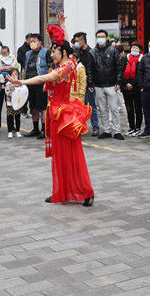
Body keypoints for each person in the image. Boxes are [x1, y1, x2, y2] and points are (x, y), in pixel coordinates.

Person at [9, 17, 94, 207]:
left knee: (71, 155)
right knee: (60, 155)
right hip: (56, 113)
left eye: (54, 51)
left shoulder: (66, 67)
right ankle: (61, 191)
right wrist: (63, 26)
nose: (52, 54)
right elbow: (67, 44)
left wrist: (21, 82)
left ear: (62, 53)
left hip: (64, 114)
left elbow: (42, 77)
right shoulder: (68, 61)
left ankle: (85, 191)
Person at [90, 29, 123, 141]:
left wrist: (118, 82)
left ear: (106, 37)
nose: (100, 38)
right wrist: (91, 83)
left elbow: (119, 67)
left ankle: (117, 131)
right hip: (98, 84)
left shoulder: (113, 50)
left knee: (114, 108)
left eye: (102, 36)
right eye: (98, 36)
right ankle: (106, 131)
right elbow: (90, 70)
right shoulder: (93, 52)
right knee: (102, 110)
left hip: (111, 84)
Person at [72, 32, 99, 136]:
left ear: (82, 41)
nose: (76, 43)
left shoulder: (90, 52)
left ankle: (95, 127)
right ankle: (79, 126)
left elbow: (90, 69)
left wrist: (90, 84)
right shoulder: (78, 51)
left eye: (77, 41)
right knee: (79, 107)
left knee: (91, 106)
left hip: (88, 84)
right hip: (77, 84)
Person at [22, 34, 49, 139]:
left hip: (41, 84)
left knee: (42, 108)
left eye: (34, 40)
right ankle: (35, 129)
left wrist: (47, 82)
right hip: (30, 83)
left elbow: (50, 67)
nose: (32, 42)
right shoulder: (28, 53)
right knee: (33, 107)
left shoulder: (45, 52)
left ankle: (44, 130)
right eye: (31, 41)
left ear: (40, 42)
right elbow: (25, 68)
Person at [0, 45, 21, 137]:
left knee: (12, 106)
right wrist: (1, 69)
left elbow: (16, 67)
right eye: (2, 52)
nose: (4, 54)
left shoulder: (13, 58)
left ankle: (13, 128)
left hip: (11, 84)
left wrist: (11, 69)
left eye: (5, 52)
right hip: (0, 83)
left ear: (8, 52)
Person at [120, 43, 143, 136]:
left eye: (136, 48)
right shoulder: (126, 58)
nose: (134, 49)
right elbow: (121, 72)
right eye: (133, 47)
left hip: (137, 88)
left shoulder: (142, 59)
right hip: (127, 88)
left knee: (138, 109)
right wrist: (126, 84)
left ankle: (138, 128)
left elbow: (141, 74)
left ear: (140, 50)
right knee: (129, 109)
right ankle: (131, 127)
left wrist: (133, 84)